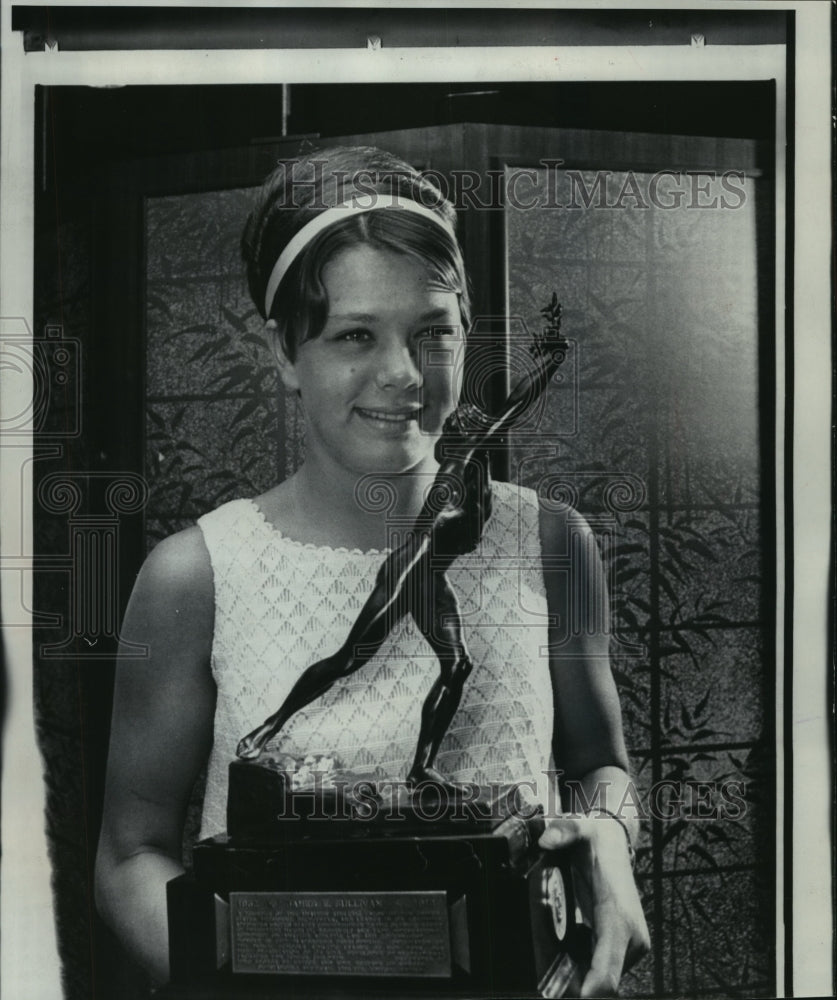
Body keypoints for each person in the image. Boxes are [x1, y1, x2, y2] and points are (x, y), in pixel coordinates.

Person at [95, 145, 649, 996]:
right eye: (355, 335)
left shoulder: (550, 541)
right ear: (285, 351)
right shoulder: (195, 575)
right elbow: (132, 853)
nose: (403, 376)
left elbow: (598, 764)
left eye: (433, 332)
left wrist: (607, 834)